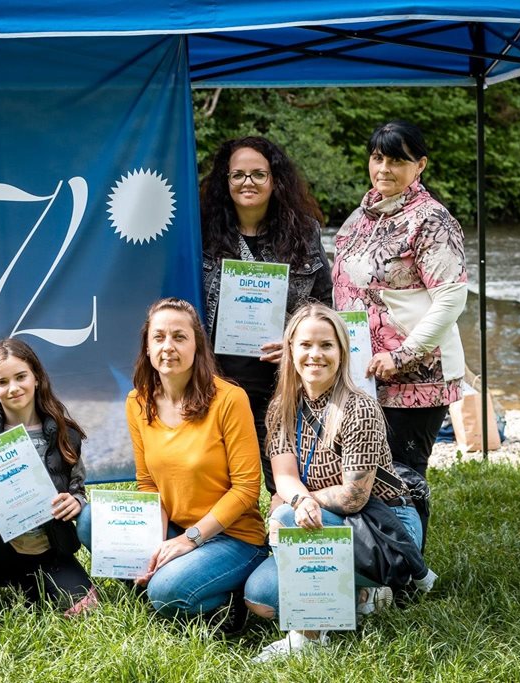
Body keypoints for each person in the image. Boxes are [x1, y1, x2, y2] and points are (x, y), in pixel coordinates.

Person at [244, 304, 434, 661]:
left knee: (285, 517)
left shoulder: (359, 408)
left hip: (383, 526)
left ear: (342, 352)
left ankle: (310, 639)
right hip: (321, 518)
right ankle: (360, 596)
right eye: (305, 344)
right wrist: (299, 501)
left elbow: (352, 498)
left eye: (326, 345)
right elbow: (284, 476)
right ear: (290, 350)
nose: (315, 354)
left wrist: (298, 503)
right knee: (261, 597)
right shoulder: (282, 407)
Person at [332, 120, 467, 482]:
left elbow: (451, 298)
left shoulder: (432, 220)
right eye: (378, 158)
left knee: (402, 478)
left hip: (414, 375)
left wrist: (401, 356)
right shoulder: (361, 216)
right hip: (363, 372)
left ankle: (412, 525)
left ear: (420, 165)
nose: (384, 168)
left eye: (396, 160)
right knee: (363, 477)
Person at [120, 297, 267, 627]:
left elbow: (247, 489)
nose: (168, 347)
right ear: (147, 346)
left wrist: (189, 540)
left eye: (179, 337)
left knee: (165, 591)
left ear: (197, 345)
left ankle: (229, 601)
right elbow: (148, 484)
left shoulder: (229, 399)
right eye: (159, 337)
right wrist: (155, 546)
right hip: (176, 528)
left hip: (233, 537)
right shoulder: (137, 401)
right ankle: (178, 580)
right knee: (91, 523)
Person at [200, 136, 333, 497]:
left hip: (284, 383)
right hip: (217, 382)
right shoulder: (200, 234)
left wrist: (294, 342)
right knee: (218, 487)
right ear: (225, 180)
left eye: (259, 174)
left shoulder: (304, 232)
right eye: (238, 174)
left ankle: (286, 531)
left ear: (275, 180)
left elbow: (324, 305)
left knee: (287, 485)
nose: (248, 182)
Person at [0, 339, 95, 644]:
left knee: (85, 611)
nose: (13, 388)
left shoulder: (66, 434)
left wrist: (76, 502)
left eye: (21, 377)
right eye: (2, 382)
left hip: (50, 550)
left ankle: (32, 586)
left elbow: (78, 488)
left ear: (36, 377)